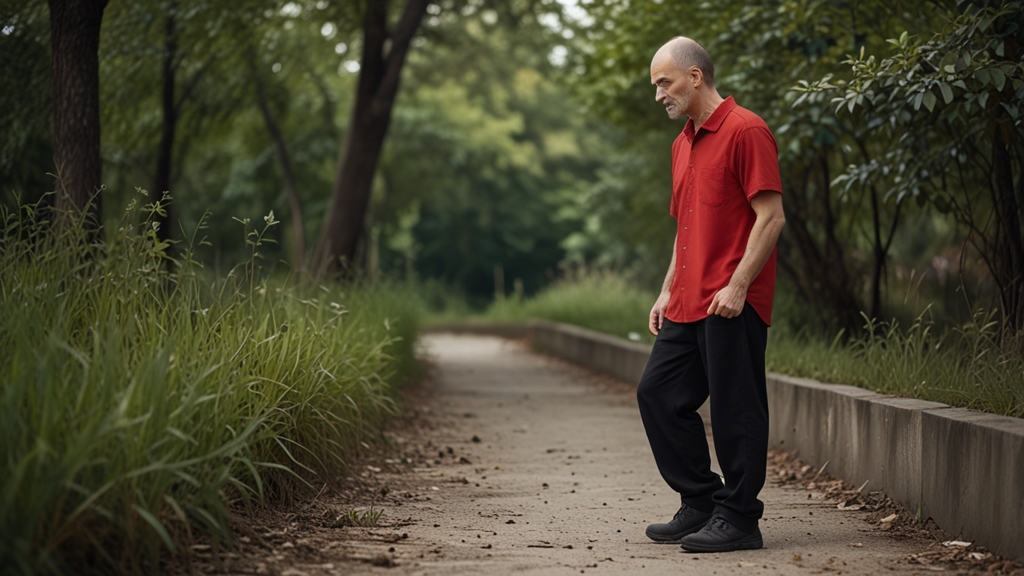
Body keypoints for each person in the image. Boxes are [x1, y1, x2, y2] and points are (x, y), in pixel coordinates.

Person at [637, 37, 786, 553]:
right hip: (685, 301)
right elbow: (685, 231)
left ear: (695, 76)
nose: (659, 94)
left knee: (734, 409)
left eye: (665, 82)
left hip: (729, 301)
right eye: (656, 84)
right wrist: (664, 291)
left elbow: (771, 218)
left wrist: (739, 284)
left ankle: (742, 518)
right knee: (658, 395)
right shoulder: (682, 143)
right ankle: (702, 501)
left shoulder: (746, 130)